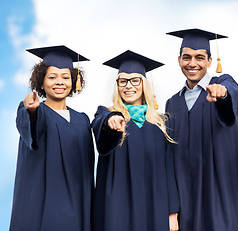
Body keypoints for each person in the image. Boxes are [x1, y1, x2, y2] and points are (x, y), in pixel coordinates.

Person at [91, 50, 179, 231]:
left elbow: (169, 170)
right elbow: (100, 126)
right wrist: (111, 121)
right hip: (116, 205)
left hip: (154, 205)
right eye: (122, 81)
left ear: (144, 84)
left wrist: (172, 213)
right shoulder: (106, 113)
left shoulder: (161, 123)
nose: (128, 86)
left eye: (134, 80)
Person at [165, 28, 238, 231]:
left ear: (210, 61)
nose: (192, 63)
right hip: (186, 202)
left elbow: (231, 96)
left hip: (219, 197)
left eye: (200, 57)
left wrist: (223, 95)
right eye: (187, 57)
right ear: (179, 60)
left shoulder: (223, 84)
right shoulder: (172, 103)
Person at [10, 45, 94, 230]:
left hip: (78, 206)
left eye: (65, 77)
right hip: (43, 206)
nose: (59, 82)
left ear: (73, 82)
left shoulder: (82, 120)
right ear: (41, 82)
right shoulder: (36, 112)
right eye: (52, 77)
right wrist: (31, 111)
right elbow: (32, 127)